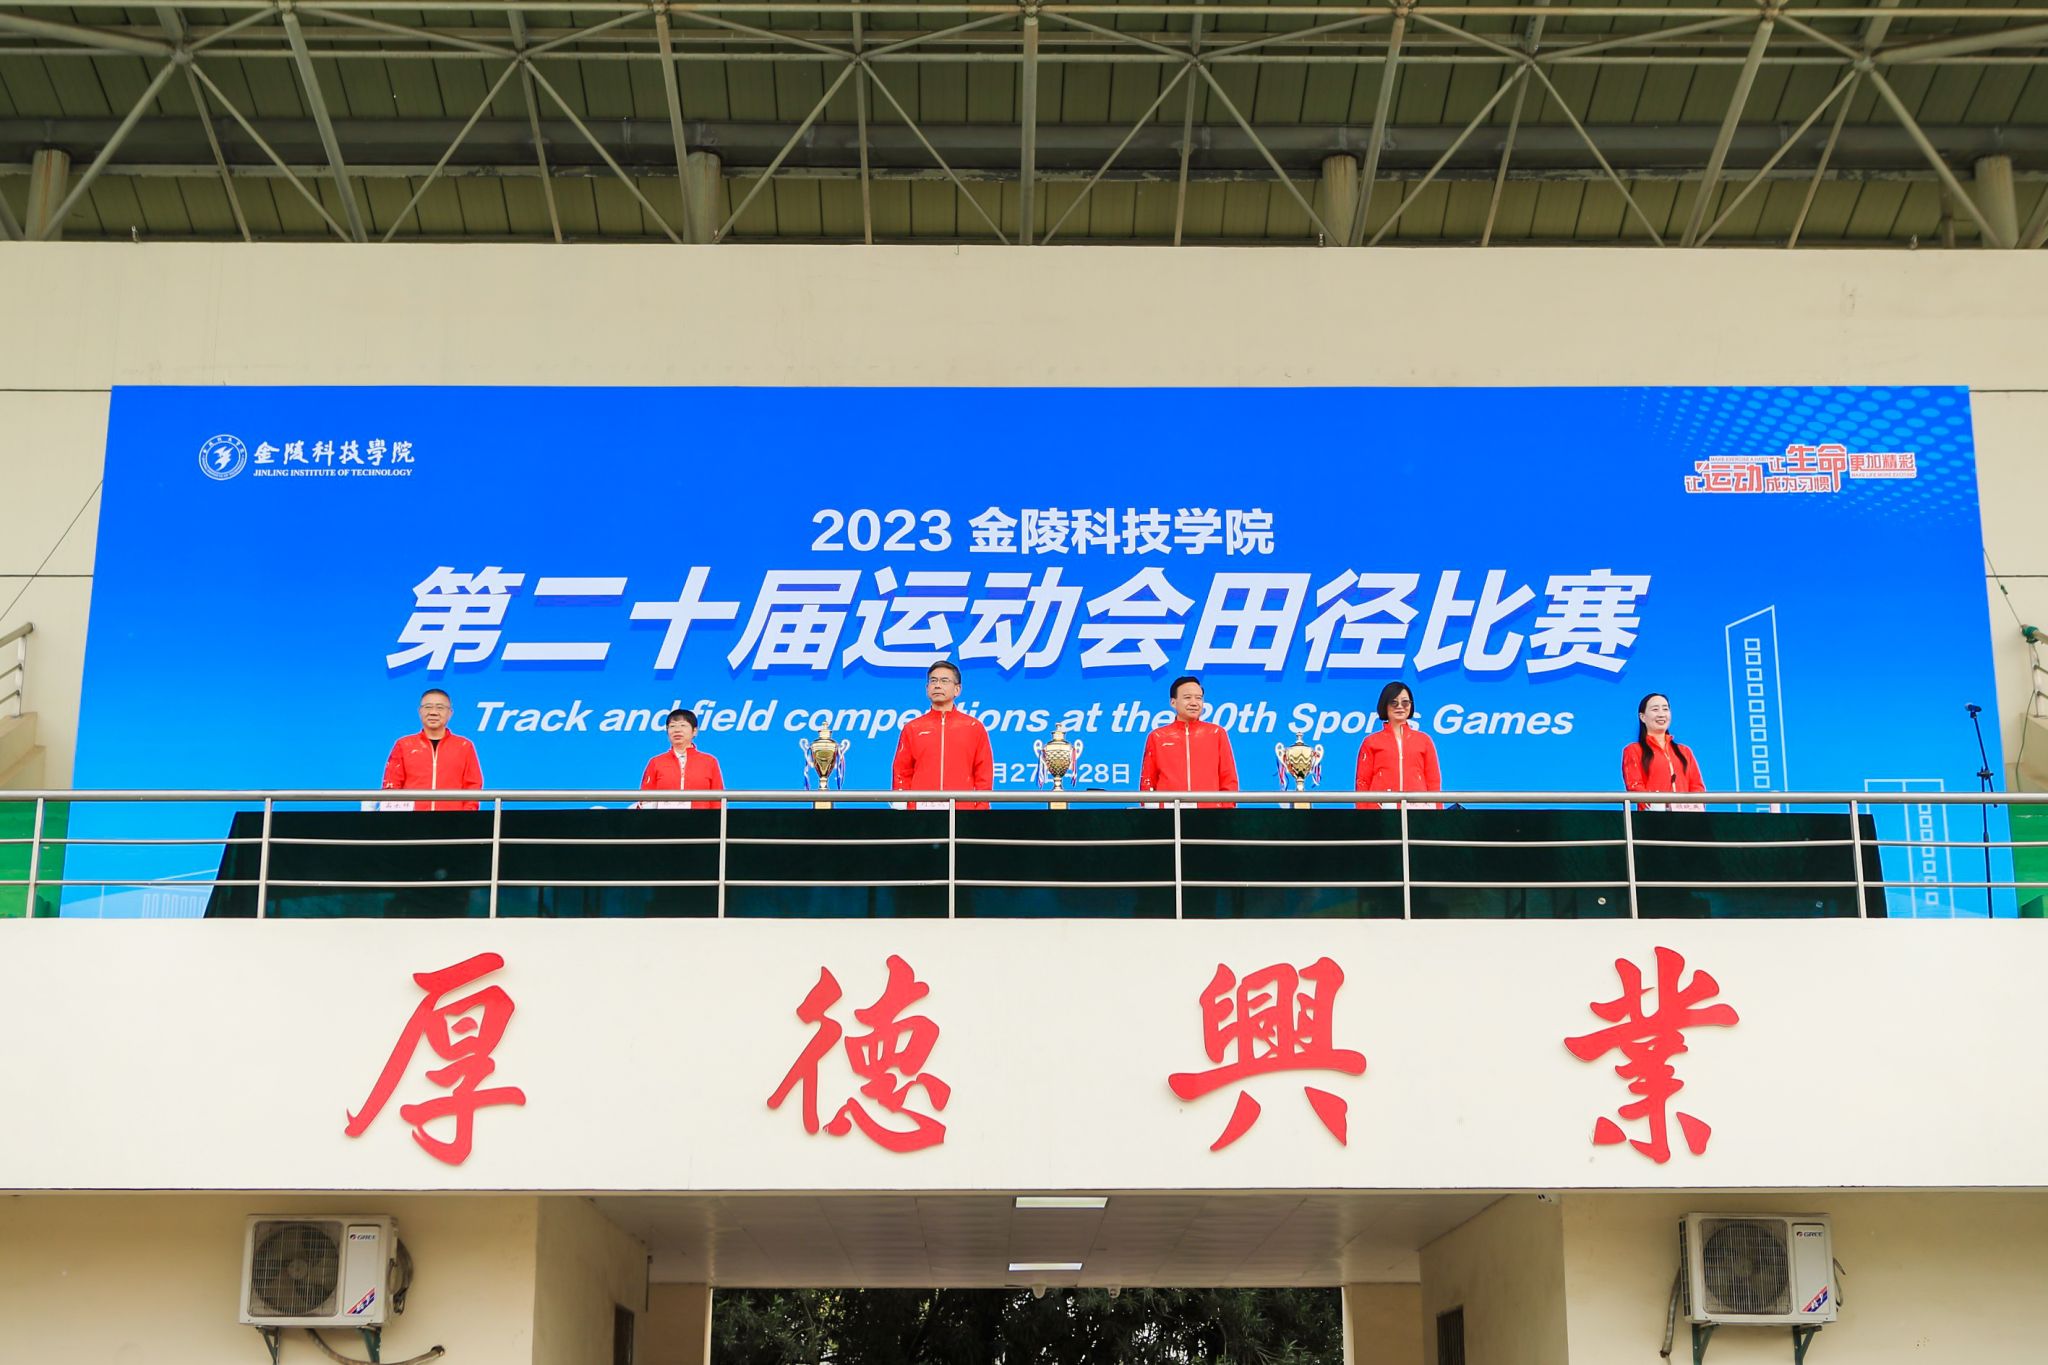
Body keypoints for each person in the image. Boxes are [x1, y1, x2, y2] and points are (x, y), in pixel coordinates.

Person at [891, 659, 993, 810]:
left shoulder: (974, 727)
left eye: (944, 681)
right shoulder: (912, 728)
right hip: (919, 813)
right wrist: (901, 809)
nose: (937, 685)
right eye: (933, 681)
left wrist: (981, 809)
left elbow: (983, 773)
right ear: (927, 688)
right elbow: (902, 771)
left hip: (963, 811)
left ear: (957, 689)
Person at [1139, 674, 1239, 808]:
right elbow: (1148, 782)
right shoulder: (1157, 736)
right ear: (1173, 702)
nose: (1194, 703)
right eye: (1187, 697)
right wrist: (1152, 813)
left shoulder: (1217, 733)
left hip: (1211, 814)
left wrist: (1226, 812)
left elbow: (1228, 778)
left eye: (1199, 698)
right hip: (1169, 814)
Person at [381, 688, 482, 811]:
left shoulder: (464, 746)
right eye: (428, 707)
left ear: (450, 713)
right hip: (411, 819)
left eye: (440, 707)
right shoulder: (404, 745)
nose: (433, 712)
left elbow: (473, 786)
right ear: (420, 711)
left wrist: (467, 816)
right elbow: (391, 786)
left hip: (454, 819)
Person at [1354, 681, 1441, 810]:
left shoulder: (1424, 740)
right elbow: (1362, 783)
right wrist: (1363, 815)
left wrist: (1437, 815)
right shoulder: (1371, 742)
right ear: (1385, 705)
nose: (1400, 706)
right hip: (1380, 813)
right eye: (1393, 702)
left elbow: (1433, 782)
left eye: (1405, 702)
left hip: (1417, 812)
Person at [1622, 692, 1706, 810]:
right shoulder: (1633, 750)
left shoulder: (1685, 751)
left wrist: (1692, 808)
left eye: (1665, 709)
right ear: (1642, 717)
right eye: (1655, 709)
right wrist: (1659, 807)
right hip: (1652, 817)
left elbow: (1697, 787)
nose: (1661, 714)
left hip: (1687, 817)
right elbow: (1635, 787)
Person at [638, 708, 725, 810]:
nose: (677, 730)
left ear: (695, 731)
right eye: (672, 726)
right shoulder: (656, 762)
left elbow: (718, 800)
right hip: (663, 818)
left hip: (702, 818)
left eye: (683, 725)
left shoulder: (709, 761)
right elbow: (645, 800)